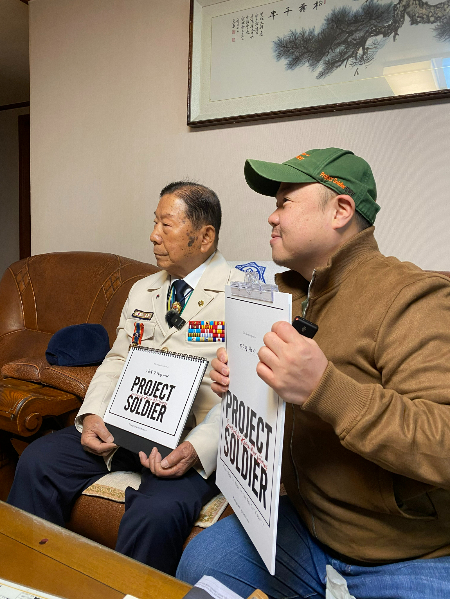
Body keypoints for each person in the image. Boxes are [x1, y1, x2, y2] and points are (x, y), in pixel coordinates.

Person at [176, 148, 450, 598]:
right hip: (305, 527)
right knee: (201, 564)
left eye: (284, 202)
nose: (271, 217)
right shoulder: (281, 294)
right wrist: (242, 380)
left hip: (406, 552)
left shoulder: (413, 299)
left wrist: (326, 389)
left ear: (341, 209)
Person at [8, 181, 244, 576]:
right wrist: (93, 415)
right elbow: (117, 360)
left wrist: (196, 448)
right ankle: (28, 580)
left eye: (166, 225)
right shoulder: (143, 290)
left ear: (205, 237)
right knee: (38, 461)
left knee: (156, 512)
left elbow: (248, 397)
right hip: (126, 425)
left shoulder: (242, 293)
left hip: (189, 440)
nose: (153, 235)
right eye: (155, 223)